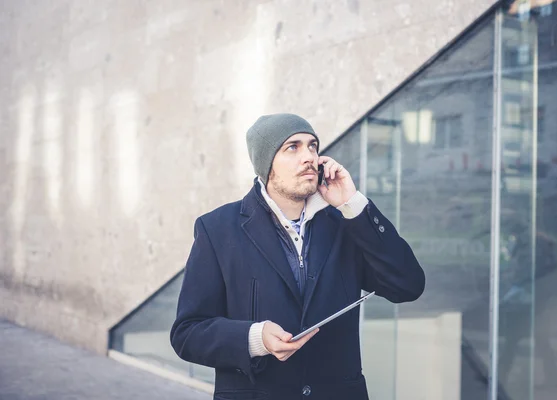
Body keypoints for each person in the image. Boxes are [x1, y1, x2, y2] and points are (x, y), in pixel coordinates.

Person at [170, 113, 425, 400]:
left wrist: (353, 204)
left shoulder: (345, 222)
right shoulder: (217, 229)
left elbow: (408, 285)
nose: (310, 157)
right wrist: (255, 338)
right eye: (293, 147)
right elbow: (188, 333)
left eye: (313, 146)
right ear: (267, 164)